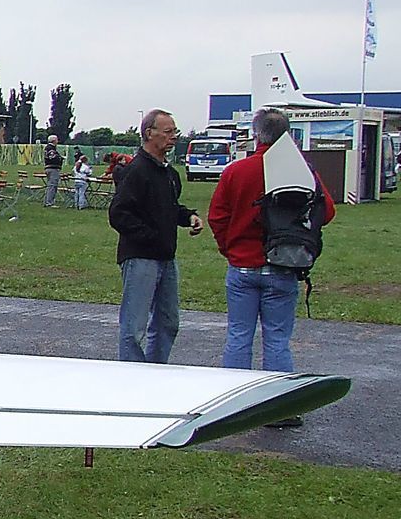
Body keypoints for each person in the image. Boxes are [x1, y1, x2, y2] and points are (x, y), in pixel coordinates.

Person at [207, 108, 336, 422]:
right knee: (277, 338)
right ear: (288, 135)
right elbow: (327, 212)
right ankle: (280, 408)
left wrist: (230, 248)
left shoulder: (237, 171)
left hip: (242, 266)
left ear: (255, 134)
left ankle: (231, 405)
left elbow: (217, 217)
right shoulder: (301, 171)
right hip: (282, 265)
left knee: (239, 336)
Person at [108, 109, 202, 363]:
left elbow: (169, 208)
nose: (173, 137)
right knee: (134, 327)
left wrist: (188, 217)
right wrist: (148, 236)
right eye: (168, 131)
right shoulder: (136, 171)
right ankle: (133, 376)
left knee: (168, 322)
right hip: (141, 257)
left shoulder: (169, 174)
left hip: (166, 258)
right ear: (149, 133)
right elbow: (119, 214)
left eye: (175, 132)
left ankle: (156, 371)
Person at [42, 135, 63, 207]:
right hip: (53, 168)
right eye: (57, 140)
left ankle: (47, 201)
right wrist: (60, 158)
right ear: (54, 140)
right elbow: (52, 157)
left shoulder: (47, 148)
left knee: (50, 185)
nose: (57, 141)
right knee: (53, 185)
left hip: (48, 168)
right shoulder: (51, 148)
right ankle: (50, 202)